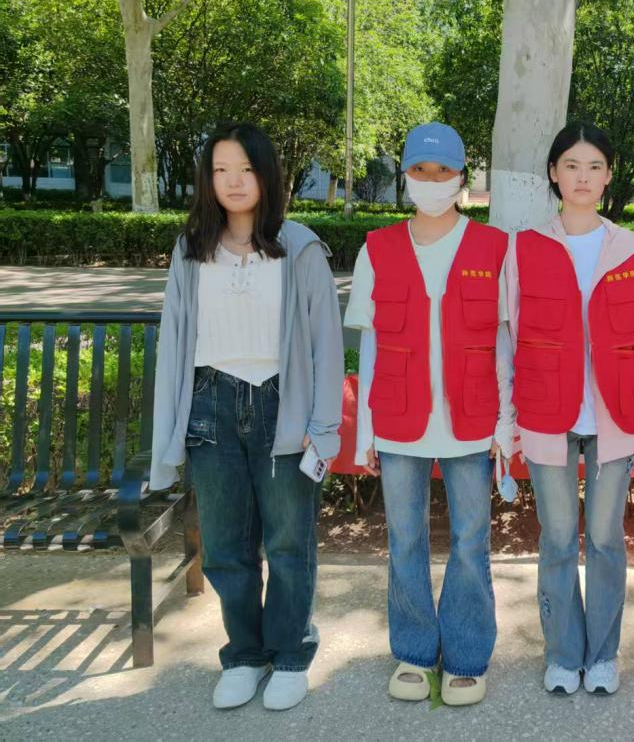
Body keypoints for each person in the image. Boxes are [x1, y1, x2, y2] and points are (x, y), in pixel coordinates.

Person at [150, 122, 344, 712]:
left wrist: (324, 427)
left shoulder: (300, 247)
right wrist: (168, 433)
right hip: (210, 406)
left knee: (288, 542)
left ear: (267, 175)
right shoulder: (191, 248)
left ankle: (290, 654)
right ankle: (243, 654)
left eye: (246, 169)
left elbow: (326, 343)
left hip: (283, 405)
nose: (233, 181)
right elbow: (175, 340)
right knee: (226, 546)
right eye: (220, 170)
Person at [344, 122, 513, 707]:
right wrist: (365, 430)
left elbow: (503, 343)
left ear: (461, 176)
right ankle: (414, 653)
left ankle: (467, 655)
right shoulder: (377, 247)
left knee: (470, 540)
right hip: (397, 419)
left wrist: (506, 421)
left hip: (472, 418)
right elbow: (369, 347)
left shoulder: (493, 247)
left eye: (443, 171)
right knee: (405, 538)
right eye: (421, 170)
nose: (432, 180)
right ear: (406, 176)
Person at [503, 123, 634, 696]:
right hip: (547, 413)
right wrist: (506, 415)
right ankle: (563, 654)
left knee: (606, 539)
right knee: (558, 539)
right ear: (554, 173)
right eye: (571, 165)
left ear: (609, 175)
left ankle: (602, 655)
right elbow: (508, 335)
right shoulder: (523, 247)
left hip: (614, 416)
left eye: (595, 166)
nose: (583, 177)